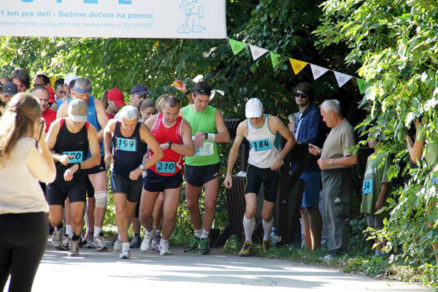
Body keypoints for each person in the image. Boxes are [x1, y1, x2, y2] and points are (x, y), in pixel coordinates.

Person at [224, 98, 295, 256]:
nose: (254, 120)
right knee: (250, 210)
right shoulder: (243, 126)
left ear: (262, 112)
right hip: (254, 168)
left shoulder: (274, 122)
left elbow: (291, 139)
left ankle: (266, 238)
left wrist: (280, 158)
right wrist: (228, 173)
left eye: (257, 116)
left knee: (266, 214)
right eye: (251, 117)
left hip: (272, 169)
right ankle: (247, 242)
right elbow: (234, 149)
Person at [0, 93, 56, 291]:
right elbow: (49, 176)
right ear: (35, 120)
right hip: (30, 222)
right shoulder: (27, 146)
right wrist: (42, 143)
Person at [57, 77, 110, 251]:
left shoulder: (96, 104)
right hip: (72, 157)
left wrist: (92, 140)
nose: (84, 99)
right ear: (73, 93)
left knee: (100, 195)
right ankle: (70, 233)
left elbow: (107, 126)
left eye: (86, 96)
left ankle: (96, 234)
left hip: (95, 155)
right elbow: (57, 134)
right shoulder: (65, 107)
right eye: (80, 96)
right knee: (70, 197)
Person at [104, 106, 163, 259]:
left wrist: (141, 168)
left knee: (130, 211)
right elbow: (106, 133)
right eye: (126, 124)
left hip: (136, 175)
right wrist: (107, 151)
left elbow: (158, 153)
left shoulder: (142, 129)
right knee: (120, 208)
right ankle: (125, 245)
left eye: (133, 124)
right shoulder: (113, 124)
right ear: (120, 120)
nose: (130, 128)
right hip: (117, 172)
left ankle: (121, 234)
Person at [179, 81, 230, 255]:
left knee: (209, 203)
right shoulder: (183, 112)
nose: (203, 104)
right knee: (191, 204)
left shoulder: (214, 113)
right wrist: (191, 139)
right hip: (192, 164)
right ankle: (198, 233)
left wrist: (208, 135)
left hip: (211, 164)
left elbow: (225, 137)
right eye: (200, 100)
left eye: (206, 101)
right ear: (192, 96)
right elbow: (176, 136)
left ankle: (206, 237)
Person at [140, 96, 195, 255]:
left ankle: (164, 240)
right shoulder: (152, 122)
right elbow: (140, 142)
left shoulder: (183, 125)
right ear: (162, 109)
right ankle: (150, 232)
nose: (171, 117)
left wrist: (170, 145)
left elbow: (190, 151)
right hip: (153, 171)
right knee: (144, 214)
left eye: (175, 113)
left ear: (179, 111)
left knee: (170, 213)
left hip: (173, 173)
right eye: (168, 113)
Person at [46, 99, 101, 256]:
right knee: (54, 218)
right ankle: (58, 228)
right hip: (56, 176)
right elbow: (45, 151)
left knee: (77, 217)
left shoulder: (89, 129)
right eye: (75, 120)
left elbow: (96, 158)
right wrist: (60, 158)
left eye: (81, 121)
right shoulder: (58, 126)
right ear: (68, 115)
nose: (78, 124)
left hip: (77, 177)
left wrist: (77, 166)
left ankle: (75, 240)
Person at [308, 99, 357, 260]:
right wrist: (322, 152)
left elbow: (352, 159)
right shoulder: (335, 129)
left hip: (338, 177)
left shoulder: (345, 129)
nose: (322, 119)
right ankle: (332, 249)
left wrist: (327, 161)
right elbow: (337, 152)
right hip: (329, 177)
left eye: (323, 116)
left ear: (331, 113)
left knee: (336, 212)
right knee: (328, 212)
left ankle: (338, 251)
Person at [291, 82, 325, 250]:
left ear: (309, 97)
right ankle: (307, 247)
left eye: (303, 95)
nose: (299, 97)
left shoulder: (314, 114)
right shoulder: (297, 116)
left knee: (311, 206)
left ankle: (316, 247)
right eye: (297, 94)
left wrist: (295, 144)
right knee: (302, 208)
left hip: (309, 164)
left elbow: (312, 138)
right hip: (296, 164)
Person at [406, 116, 438, 261]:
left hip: (435, 177)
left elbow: (415, 157)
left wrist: (407, 137)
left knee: (433, 226)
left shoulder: (425, 121)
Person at [130, 98, 157, 249]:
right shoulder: (135, 125)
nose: (150, 116)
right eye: (148, 113)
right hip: (135, 168)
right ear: (141, 112)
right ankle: (135, 235)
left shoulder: (155, 126)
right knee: (134, 203)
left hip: (149, 169)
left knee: (147, 205)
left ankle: (152, 233)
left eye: (153, 113)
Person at [360, 136, 390, 257]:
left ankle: (385, 250)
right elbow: (366, 178)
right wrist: (364, 198)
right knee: (372, 225)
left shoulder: (385, 155)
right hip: (369, 197)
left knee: (380, 224)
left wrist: (381, 198)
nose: (368, 140)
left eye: (370, 137)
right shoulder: (369, 157)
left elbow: (385, 179)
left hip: (378, 196)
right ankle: (377, 249)